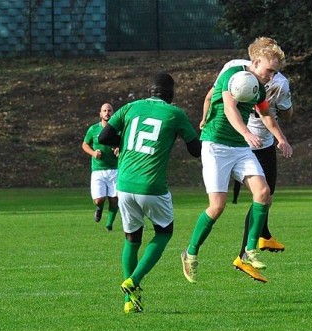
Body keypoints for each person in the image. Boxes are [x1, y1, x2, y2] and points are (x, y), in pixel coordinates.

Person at [182, 37, 293, 284]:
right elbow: (230, 107)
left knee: (263, 193)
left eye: (276, 72)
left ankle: (249, 251)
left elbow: (266, 116)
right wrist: (245, 132)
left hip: (240, 148)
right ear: (255, 62)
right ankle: (190, 252)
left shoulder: (260, 89)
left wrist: (281, 139)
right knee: (217, 207)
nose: (272, 76)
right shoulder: (233, 74)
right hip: (215, 146)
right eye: (270, 70)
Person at [98, 73, 201, 313]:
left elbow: (104, 137)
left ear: (150, 91)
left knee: (132, 239)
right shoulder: (175, 113)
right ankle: (133, 281)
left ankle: (129, 303)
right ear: (171, 93)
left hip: (123, 185)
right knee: (164, 232)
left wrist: (121, 143)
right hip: (152, 186)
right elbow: (195, 150)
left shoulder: (131, 107)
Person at [82, 103, 119, 231]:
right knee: (98, 200)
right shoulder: (93, 129)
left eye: (109, 110)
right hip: (98, 170)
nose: (107, 113)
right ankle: (99, 208)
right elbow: (85, 145)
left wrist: (119, 149)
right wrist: (93, 153)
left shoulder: (118, 130)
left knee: (114, 200)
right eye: (104, 110)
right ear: (100, 114)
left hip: (115, 169)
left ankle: (109, 224)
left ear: (113, 113)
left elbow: (125, 144)